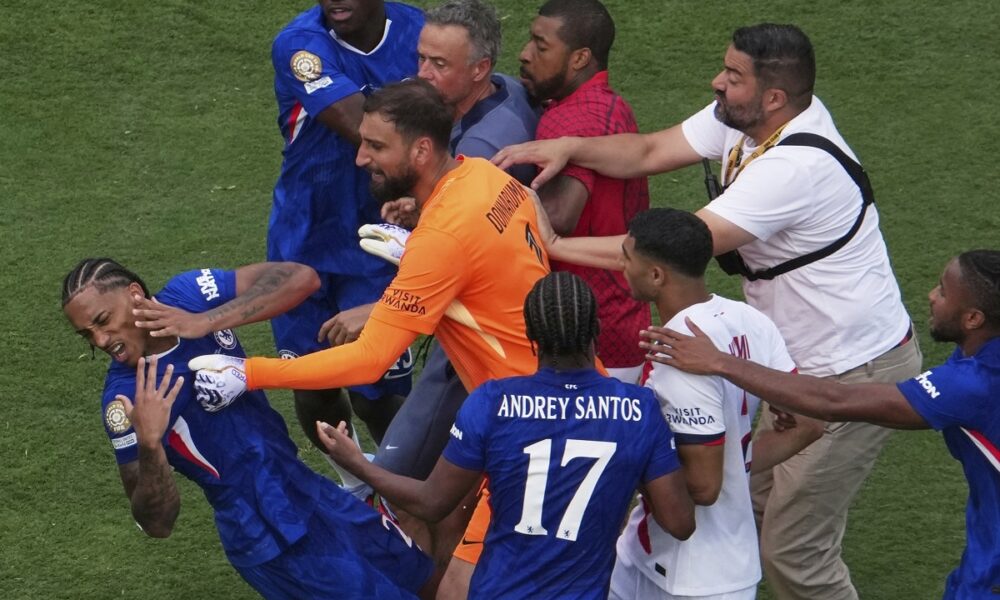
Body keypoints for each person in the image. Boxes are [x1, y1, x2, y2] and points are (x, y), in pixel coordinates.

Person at [494, 23, 922, 599]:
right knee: (751, 508)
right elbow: (649, 150)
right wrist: (571, 147)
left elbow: (676, 250)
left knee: (795, 551)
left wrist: (553, 243)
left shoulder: (793, 168)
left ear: (774, 97)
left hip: (849, 369)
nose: (717, 82)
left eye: (733, 76)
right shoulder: (747, 120)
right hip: (795, 356)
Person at [189, 79, 550, 598]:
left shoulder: (443, 236)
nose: (361, 158)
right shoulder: (486, 179)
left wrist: (249, 373)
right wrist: (419, 258)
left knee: (464, 588)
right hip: (540, 398)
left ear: (421, 150)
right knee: (453, 534)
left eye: (376, 146)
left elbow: (368, 361)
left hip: (527, 426)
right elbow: (501, 268)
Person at [61, 258, 433, 599]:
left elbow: (301, 278)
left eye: (103, 320)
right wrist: (150, 444)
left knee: (423, 576)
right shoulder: (125, 399)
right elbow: (156, 523)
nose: (100, 341)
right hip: (269, 537)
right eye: (87, 335)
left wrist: (206, 321)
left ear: (134, 295)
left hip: (310, 491)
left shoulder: (188, 295)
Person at [645, 249, 1000, 600]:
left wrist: (720, 362)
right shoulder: (980, 355)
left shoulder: (976, 383)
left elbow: (835, 401)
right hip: (986, 539)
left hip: (991, 570)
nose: (931, 295)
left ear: (973, 318)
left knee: (795, 551)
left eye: (943, 292)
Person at [318, 271, 695, 598]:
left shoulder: (492, 402)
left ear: (530, 335)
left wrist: (358, 465)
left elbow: (432, 502)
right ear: (596, 329)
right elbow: (679, 522)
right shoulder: (638, 409)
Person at [610, 208, 822, 600]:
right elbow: (810, 422)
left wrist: (619, 458)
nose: (621, 265)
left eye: (626, 257)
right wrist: (737, 463)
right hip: (665, 557)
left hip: (693, 581)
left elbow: (704, 487)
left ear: (656, 276)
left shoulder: (677, 355)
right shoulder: (749, 319)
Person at [268, 0, 423, 450]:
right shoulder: (301, 44)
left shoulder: (419, 32)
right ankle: (353, 482)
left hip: (379, 239)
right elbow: (361, 127)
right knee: (312, 385)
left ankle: (399, 486)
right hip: (303, 240)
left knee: (380, 394)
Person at [518, 0, 650, 384]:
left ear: (579, 58)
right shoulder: (607, 104)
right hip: (619, 319)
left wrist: (485, 197)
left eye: (541, 46)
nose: (524, 53)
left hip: (589, 337)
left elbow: (559, 215)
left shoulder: (574, 118)